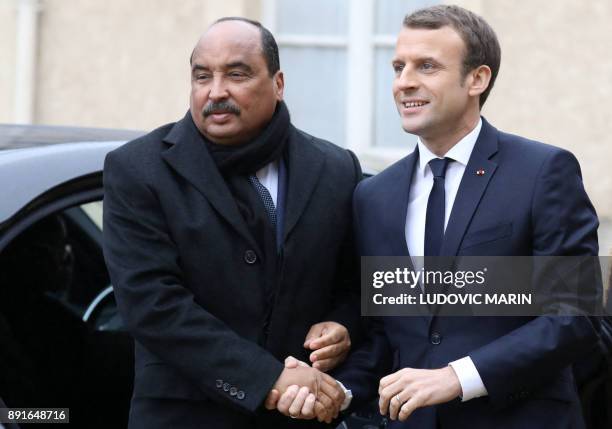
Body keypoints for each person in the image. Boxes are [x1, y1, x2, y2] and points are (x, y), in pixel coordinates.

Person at [275, 5, 602, 428]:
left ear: (477, 79)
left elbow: (573, 316)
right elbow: (387, 334)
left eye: (426, 66)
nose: (404, 81)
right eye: (398, 66)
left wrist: (457, 376)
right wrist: (342, 390)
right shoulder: (374, 196)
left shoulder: (543, 171)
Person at [103, 17, 361, 429]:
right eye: (202, 76)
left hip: (305, 417)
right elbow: (151, 304)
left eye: (236, 74)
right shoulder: (137, 169)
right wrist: (266, 378)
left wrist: (341, 327)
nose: (216, 91)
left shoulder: (335, 168)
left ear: (278, 83)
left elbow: (354, 284)